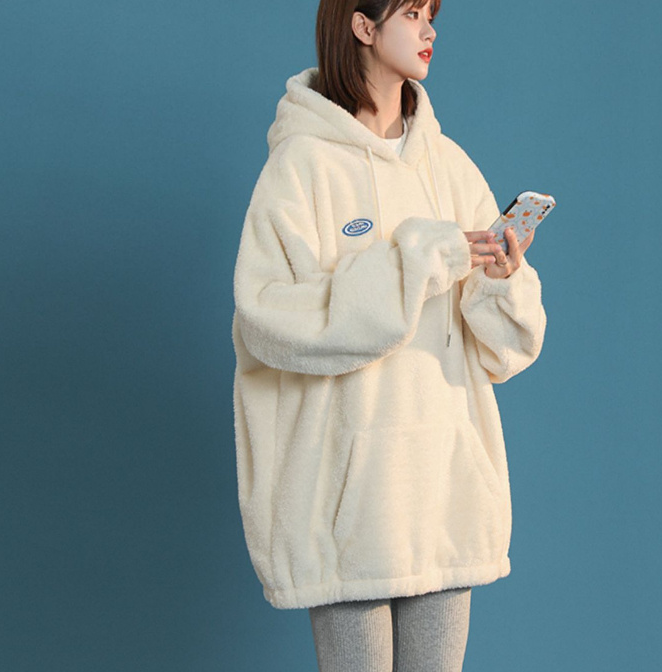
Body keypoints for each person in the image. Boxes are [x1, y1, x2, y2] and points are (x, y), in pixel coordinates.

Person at [231, 0, 547, 669]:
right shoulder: (303, 167)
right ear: (363, 25)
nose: (430, 30)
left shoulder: (449, 166)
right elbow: (267, 320)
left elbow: (502, 350)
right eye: (411, 12)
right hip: (346, 505)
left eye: (432, 14)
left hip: (442, 493)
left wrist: (501, 280)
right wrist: (416, 260)